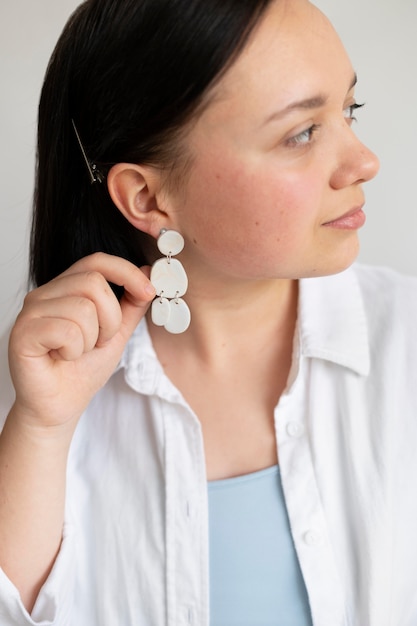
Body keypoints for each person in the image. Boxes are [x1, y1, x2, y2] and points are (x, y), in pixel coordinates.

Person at [1, 0, 417, 624]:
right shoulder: (41, 393)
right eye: (301, 133)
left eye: (349, 110)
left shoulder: (406, 343)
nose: (364, 162)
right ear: (147, 197)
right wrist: (40, 429)